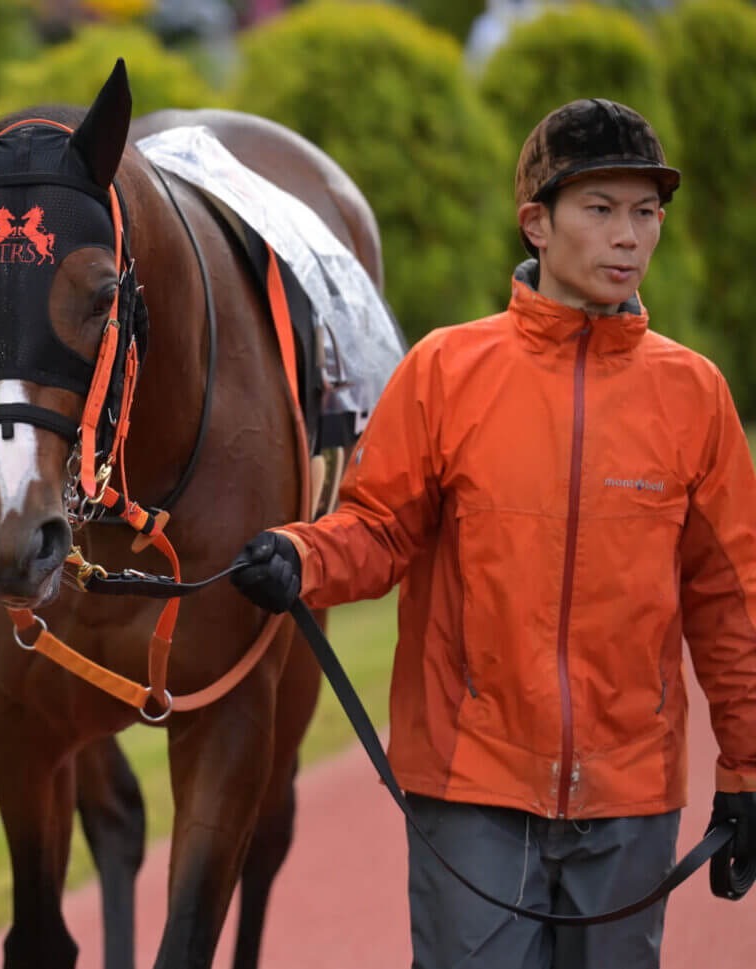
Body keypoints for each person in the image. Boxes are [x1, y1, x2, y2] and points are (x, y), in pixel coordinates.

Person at [231, 98, 756, 968]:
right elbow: (379, 527)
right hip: (470, 788)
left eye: (646, 212)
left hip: (628, 800)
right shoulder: (445, 370)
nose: (629, 236)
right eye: (601, 210)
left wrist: (744, 770)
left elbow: (729, 600)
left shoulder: (695, 395)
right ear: (536, 224)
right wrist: (301, 554)